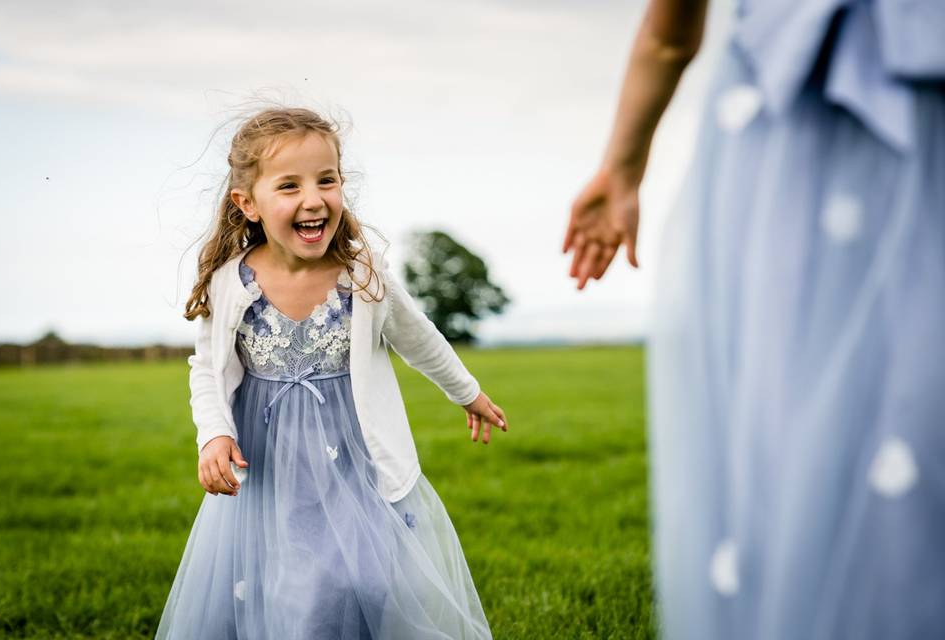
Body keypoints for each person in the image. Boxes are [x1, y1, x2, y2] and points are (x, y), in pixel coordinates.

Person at [564, 0, 944, 638]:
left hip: (791, 121)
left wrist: (623, 166)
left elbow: (670, 33)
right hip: (803, 95)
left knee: (798, 425)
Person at [156, 108, 507, 639]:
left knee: (361, 581)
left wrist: (468, 393)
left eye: (327, 180)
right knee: (293, 588)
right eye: (289, 186)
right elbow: (206, 369)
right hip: (271, 465)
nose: (313, 199)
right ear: (247, 203)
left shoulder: (362, 275)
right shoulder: (232, 282)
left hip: (354, 463)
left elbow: (418, 338)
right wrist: (215, 435)